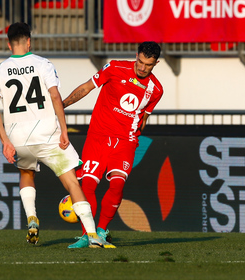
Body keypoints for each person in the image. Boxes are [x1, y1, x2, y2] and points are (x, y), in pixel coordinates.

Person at [0, 22, 114, 248]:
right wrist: (64, 130)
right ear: (29, 41)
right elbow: (55, 97)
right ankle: (93, 235)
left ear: (8, 44)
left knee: (26, 174)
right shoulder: (43, 64)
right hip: (48, 133)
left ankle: (31, 219)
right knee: (72, 183)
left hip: (19, 136)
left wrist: (5, 141)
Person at [63, 41, 164, 248]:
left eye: (148, 65)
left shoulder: (156, 90)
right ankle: (87, 235)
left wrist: (133, 134)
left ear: (156, 64)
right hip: (98, 136)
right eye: (140, 62)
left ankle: (101, 231)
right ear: (136, 55)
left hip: (125, 141)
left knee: (117, 184)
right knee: (88, 184)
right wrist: (61, 105)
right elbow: (86, 88)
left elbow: (143, 118)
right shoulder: (114, 68)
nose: (142, 68)